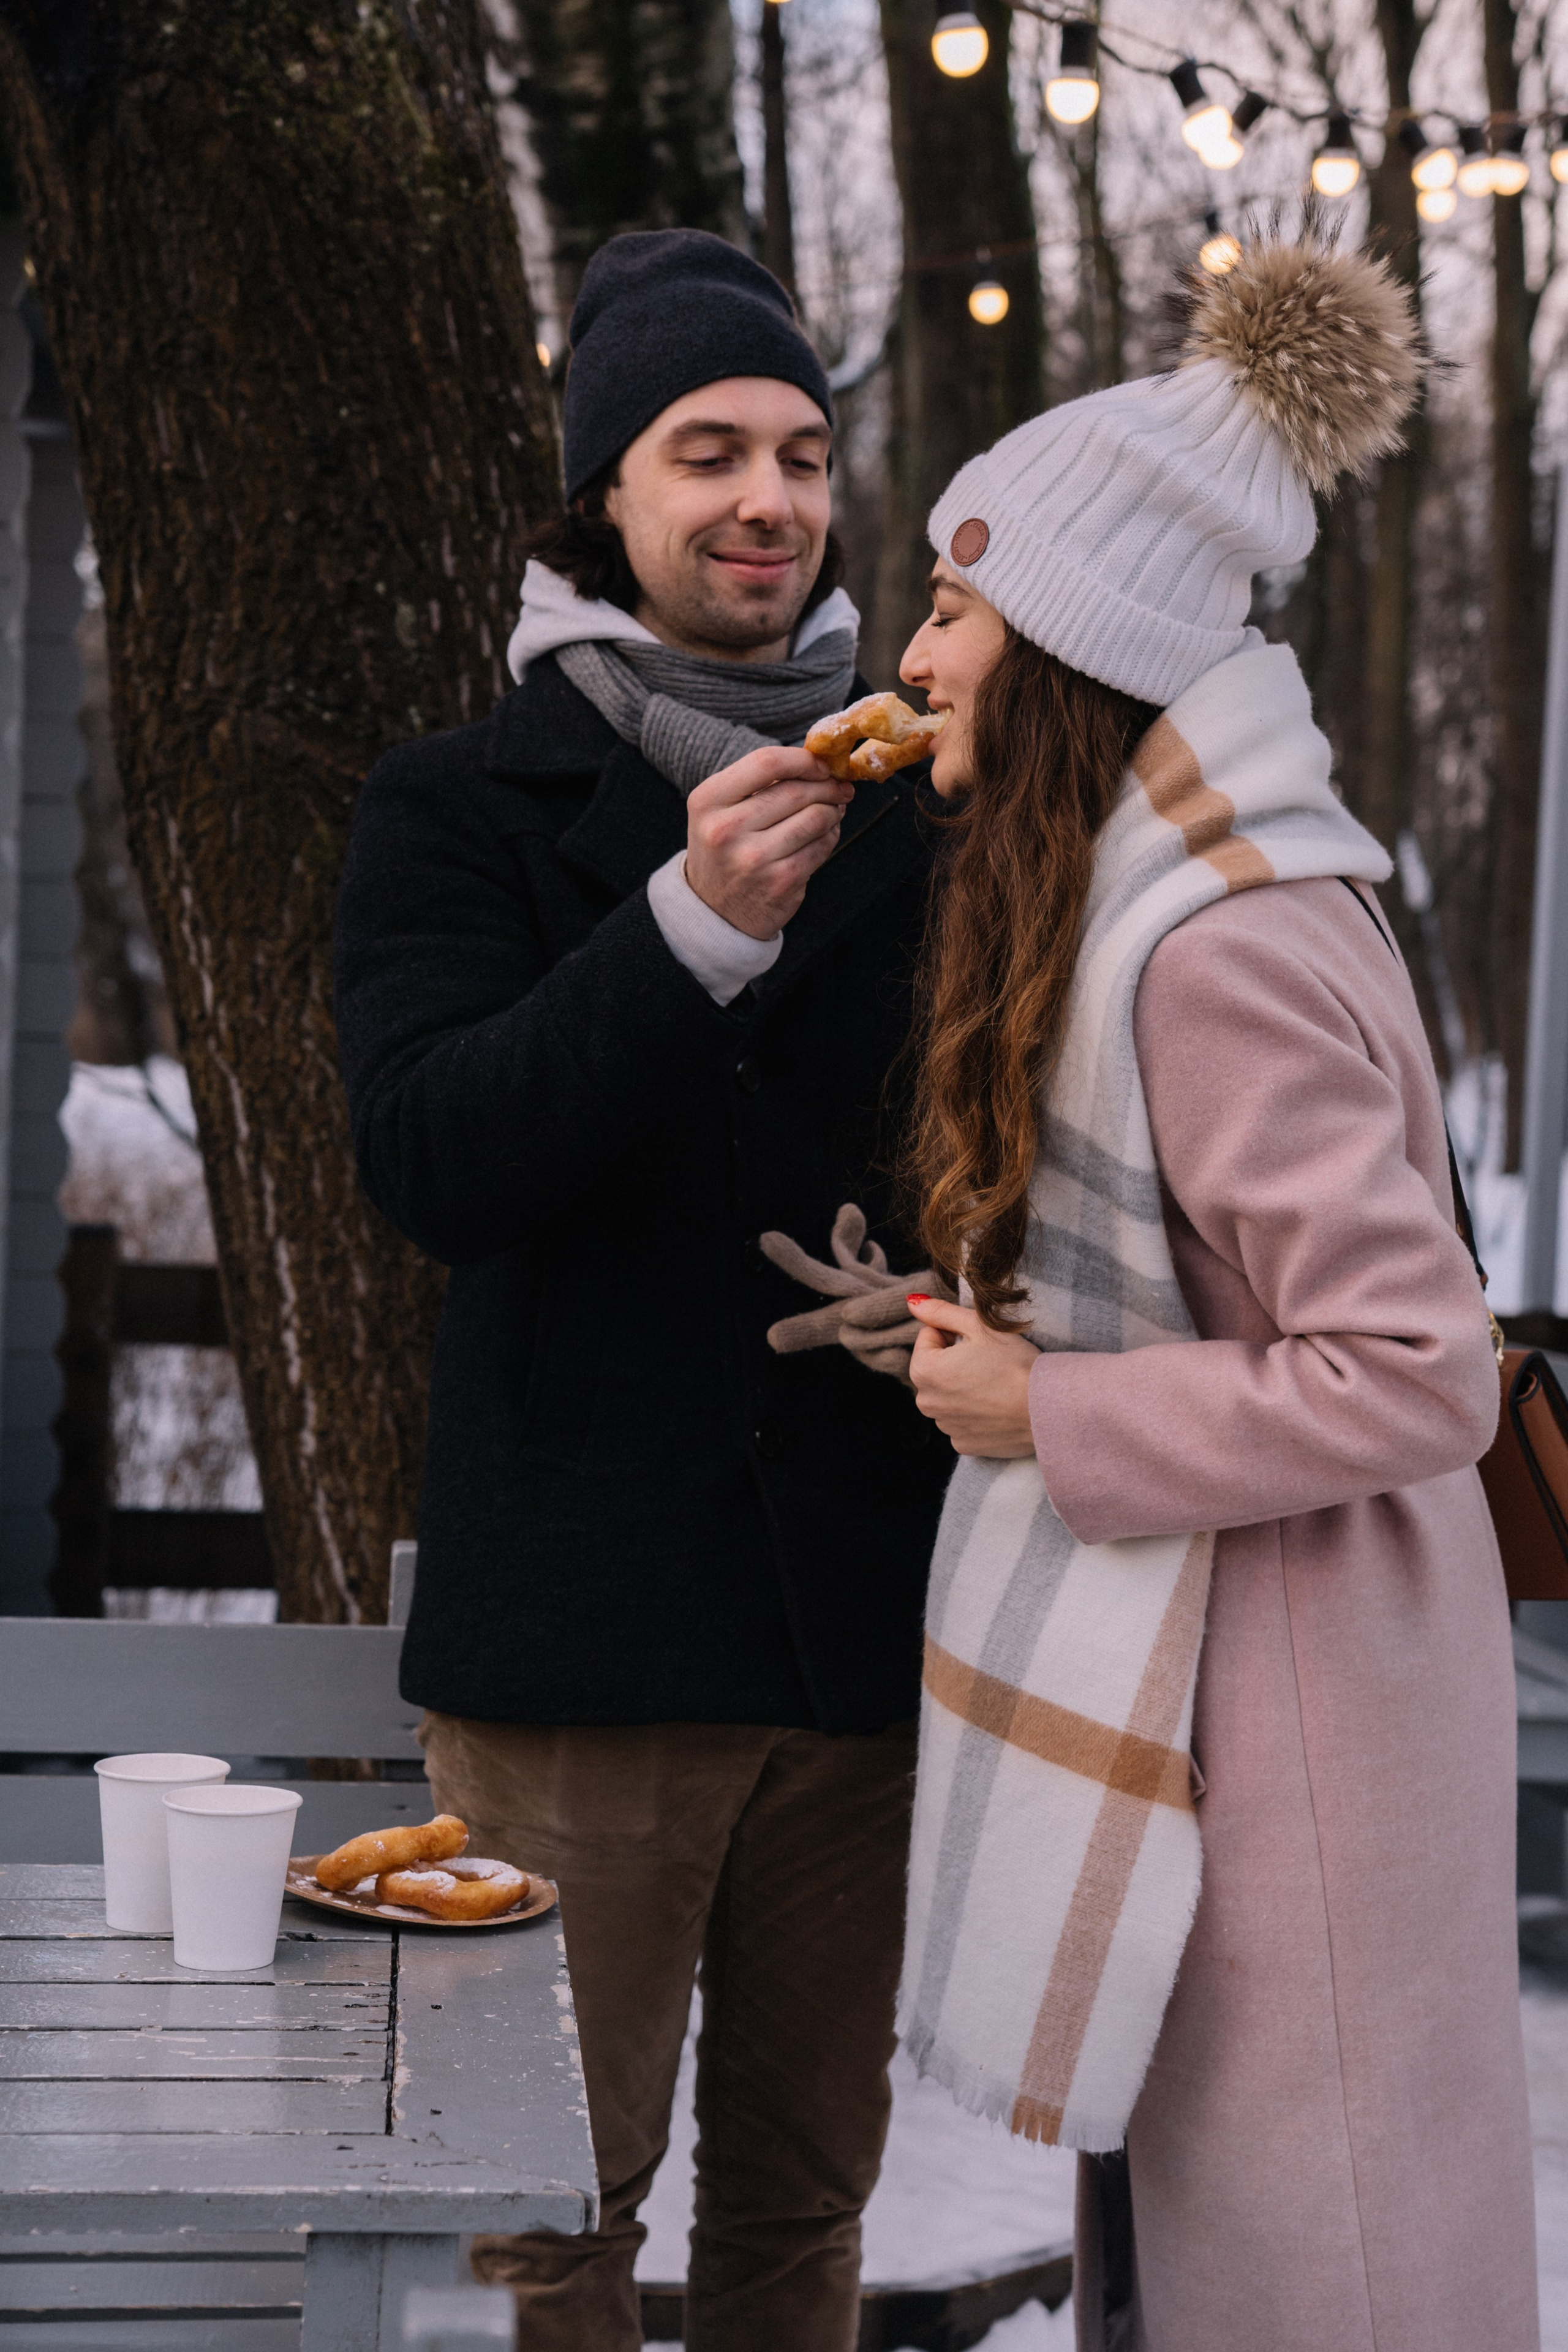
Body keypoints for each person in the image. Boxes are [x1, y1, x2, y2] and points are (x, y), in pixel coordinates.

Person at [889, 240, 1537, 2352]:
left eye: (958, 606)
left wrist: (1047, 1417)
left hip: (1300, 1726)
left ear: (1070, 642)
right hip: (1277, 1686)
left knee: (1306, 2275)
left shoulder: (1214, 948)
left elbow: (1416, 1367)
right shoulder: (1188, 899)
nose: (916, 652)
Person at [331, 228, 952, 2352]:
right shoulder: (460, 805)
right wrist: (680, 935)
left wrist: (963, 1293)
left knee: (803, 2207)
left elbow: (1016, 1152)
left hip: (858, 1645)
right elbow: (435, 1161)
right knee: (548, 2217)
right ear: (609, 492)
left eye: (801, 448)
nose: (769, 496)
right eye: (708, 452)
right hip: (581, 1664)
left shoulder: (939, 806)